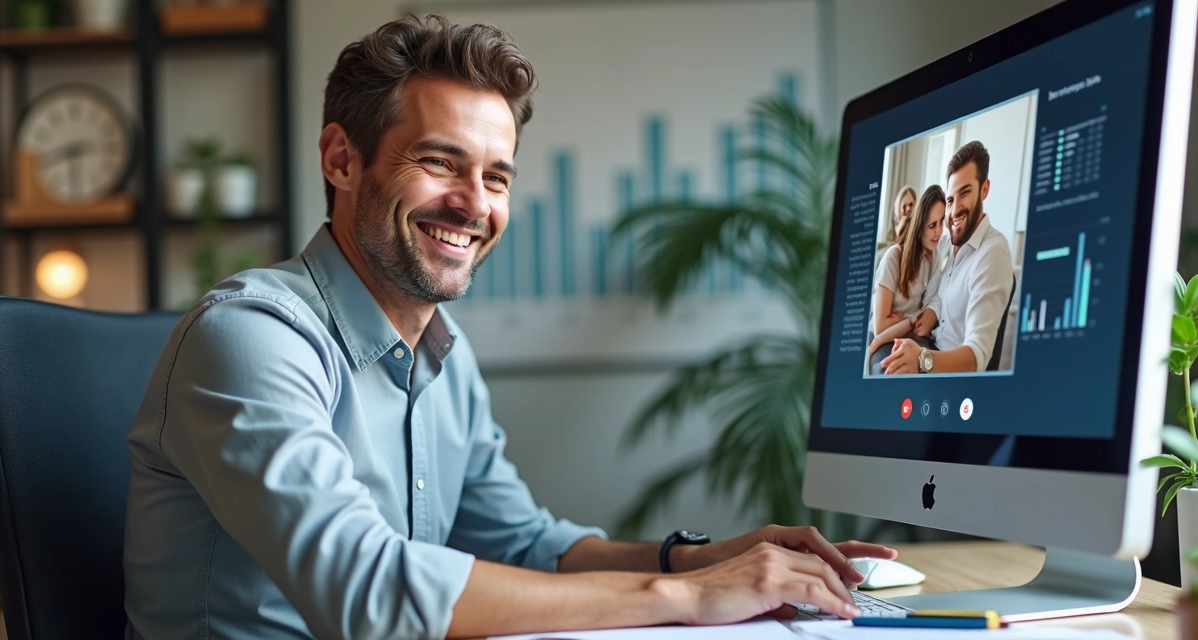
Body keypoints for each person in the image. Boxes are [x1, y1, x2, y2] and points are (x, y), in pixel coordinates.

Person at [122, 14, 896, 640]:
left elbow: (525, 545)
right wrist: (687, 598)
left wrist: (702, 560)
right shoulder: (252, 336)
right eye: (440, 162)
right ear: (341, 159)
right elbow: (367, 592)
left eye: (496, 176)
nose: (474, 204)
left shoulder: (443, 357)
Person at [879, 140, 1014, 375]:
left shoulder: (992, 253)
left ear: (984, 189)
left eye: (965, 193)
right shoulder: (952, 244)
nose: (955, 209)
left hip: (947, 373)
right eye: (951, 200)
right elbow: (942, 295)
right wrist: (931, 313)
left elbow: (976, 358)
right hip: (931, 345)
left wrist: (921, 360)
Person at [867, 185, 945, 374]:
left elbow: (928, 311)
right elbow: (880, 328)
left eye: (941, 222)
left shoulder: (935, 256)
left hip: (909, 335)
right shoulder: (893, 258)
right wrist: (911, 321)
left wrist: (907, 320)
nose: (939, 231)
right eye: (932, 225)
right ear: (919, 226)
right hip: (885, 336)